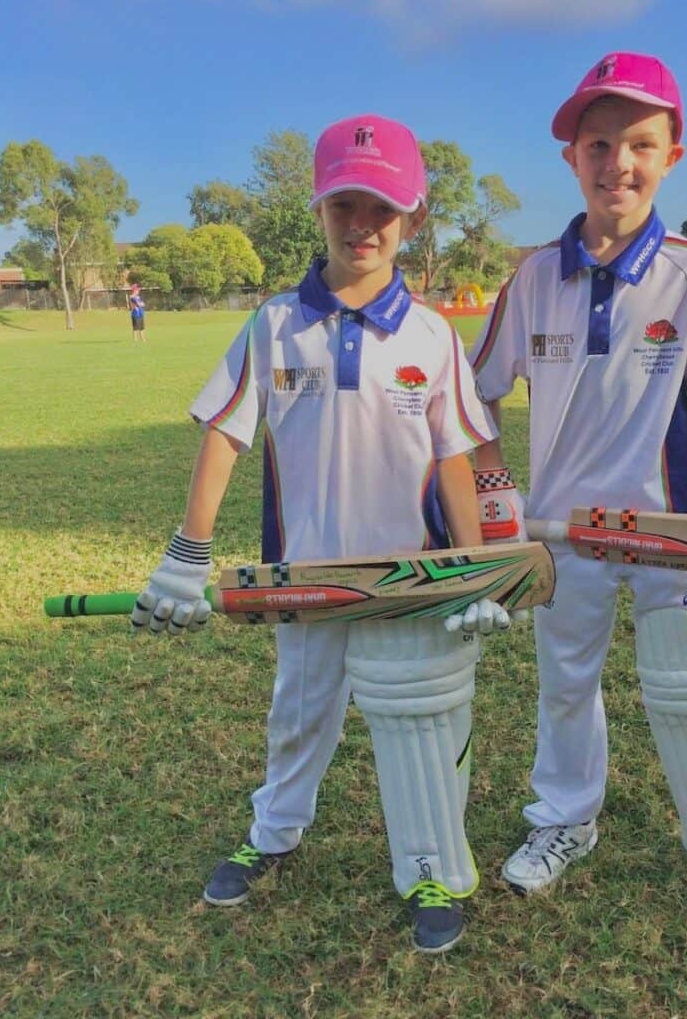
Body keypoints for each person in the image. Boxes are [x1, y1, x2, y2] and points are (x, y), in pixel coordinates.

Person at [132, 114, 518, 954]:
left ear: (412, 218)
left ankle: (429, 867)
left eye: (382, 207)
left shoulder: (429, 336)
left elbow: (456, 458)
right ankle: (274, 833)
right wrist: (187, 552)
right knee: (298, 717)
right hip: (303, 581)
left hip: (408, 586)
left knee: (416, 729)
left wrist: (478, 573)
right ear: (318, 210)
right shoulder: (273, 324)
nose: (362, 224)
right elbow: (225, 433)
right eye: (344, 203)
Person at [469, 51, 687, 924]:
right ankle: (565, 820)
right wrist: (500, 506)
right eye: (599, 144)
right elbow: (477, 401)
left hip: (669, 530)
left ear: (672, 155)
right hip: (562, 530)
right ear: (571, 157)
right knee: (564, 682)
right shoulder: (531, 278)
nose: (619, 162)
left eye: (639, 144)